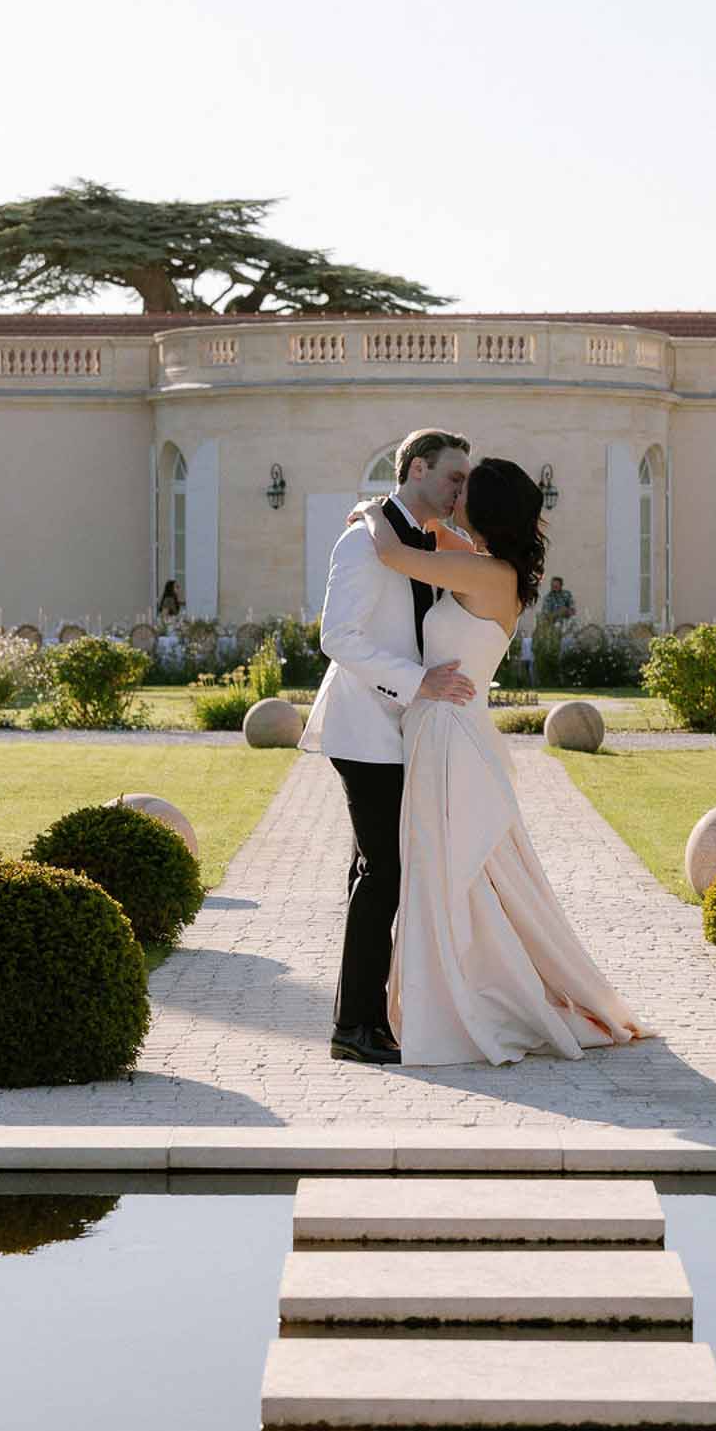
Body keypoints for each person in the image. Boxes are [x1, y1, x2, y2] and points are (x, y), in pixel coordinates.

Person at [361, 458, 653, 1066]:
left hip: (449, 735)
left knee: (450, 867)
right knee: (465, 870)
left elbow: (391, 552)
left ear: (485, 508)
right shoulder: (490, 566)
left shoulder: (482, 572)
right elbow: (438, 538)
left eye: (464, 488)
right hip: (448, 728)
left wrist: (368, 510)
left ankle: (466, 999)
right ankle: (459, 985)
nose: (454, 493)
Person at [298, 427, 475, 1065]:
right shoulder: (361, 541)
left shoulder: (421, 541)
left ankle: (364, 1020)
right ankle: (355, 1028)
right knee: (384, 875)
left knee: (373, 875)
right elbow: (336, 638)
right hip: (366, 730)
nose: (462, 489)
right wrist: (416, 682)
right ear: (419, 469)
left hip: (404, 733)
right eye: (454, 477)